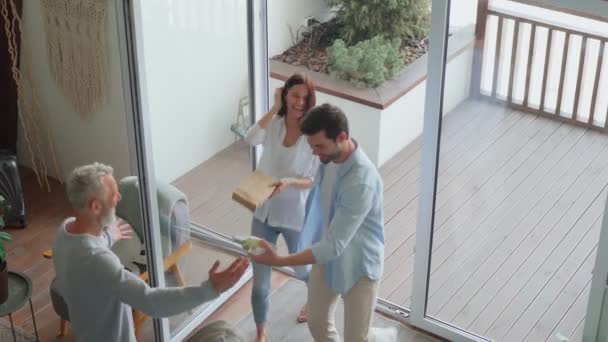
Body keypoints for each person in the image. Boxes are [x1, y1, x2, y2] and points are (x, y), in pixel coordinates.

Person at [52, 162, 249, 342]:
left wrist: (108, 237)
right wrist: (210, 289)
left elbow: (87, 246)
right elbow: (150, 300)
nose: (119, 198)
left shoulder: (65, 231)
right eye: (114, 195)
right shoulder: (99, 261)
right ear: (95, 206)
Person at [251, 104, 397, 342]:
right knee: (317, 323)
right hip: (327, 257)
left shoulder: (361, 181)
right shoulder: (328, 159)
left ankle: (383, 338)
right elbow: (317, 194)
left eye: (319, 146)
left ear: (341, 137)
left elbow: (333, 246)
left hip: (359, 265)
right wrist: (287, 182)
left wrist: (280, 260)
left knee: (357, 339)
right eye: (312, 146)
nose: (315, 153)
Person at [243, 73, 319, 341]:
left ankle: (316, 302)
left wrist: (290, 182)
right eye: (294, 95)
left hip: (293, 216)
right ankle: (261, 330)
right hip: (262, 212)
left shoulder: (312, 135)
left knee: (303, 270)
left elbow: (313, 179)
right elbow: (250, 139)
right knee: (260, 277)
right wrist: (274, 108)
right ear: (284, 95)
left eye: (304, 97)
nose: (299, 102)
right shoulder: (274, 123)